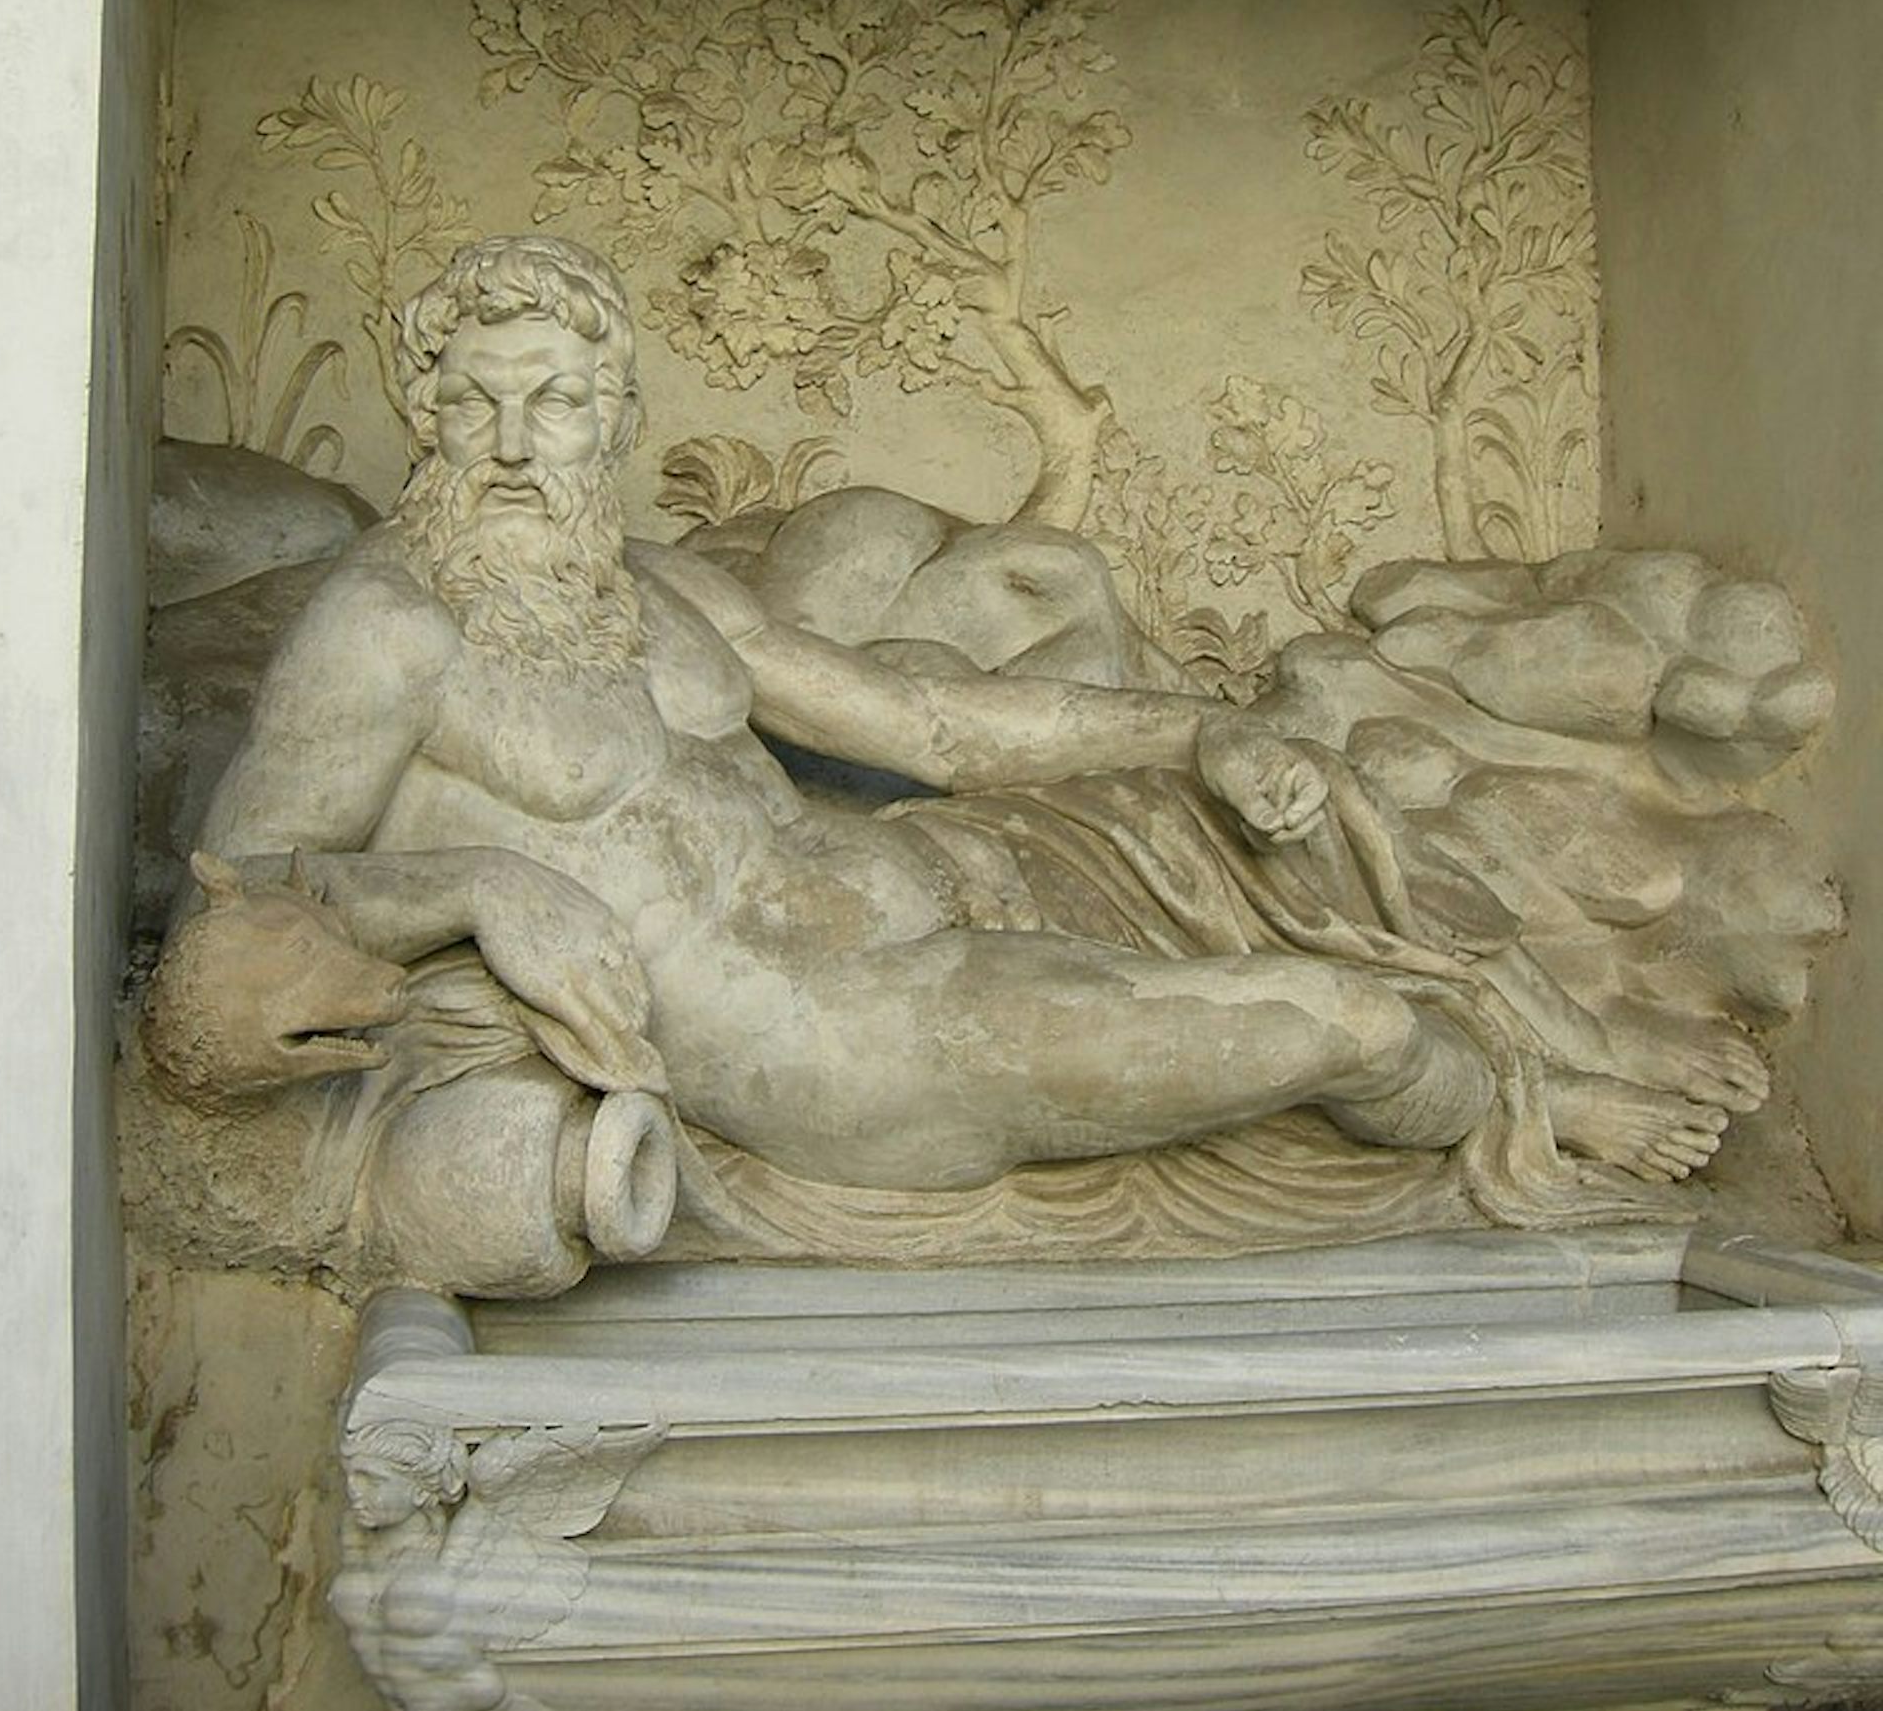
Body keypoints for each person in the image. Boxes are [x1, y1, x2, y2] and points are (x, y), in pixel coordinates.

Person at [152, 235, 1724, 1292]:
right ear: (424, 414)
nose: (511, 445)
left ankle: (1532, 1052)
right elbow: (241, 899)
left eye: (554, 405)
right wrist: (476, 886)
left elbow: (931, 729)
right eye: (475, 404)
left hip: (924, 886)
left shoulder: (655, 585)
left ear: (611, 421)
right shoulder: (386, 626)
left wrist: (1196, 728)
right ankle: (1525, 1116)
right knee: (1346, 1021)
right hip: (843, 1037)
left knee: (1261, 815)